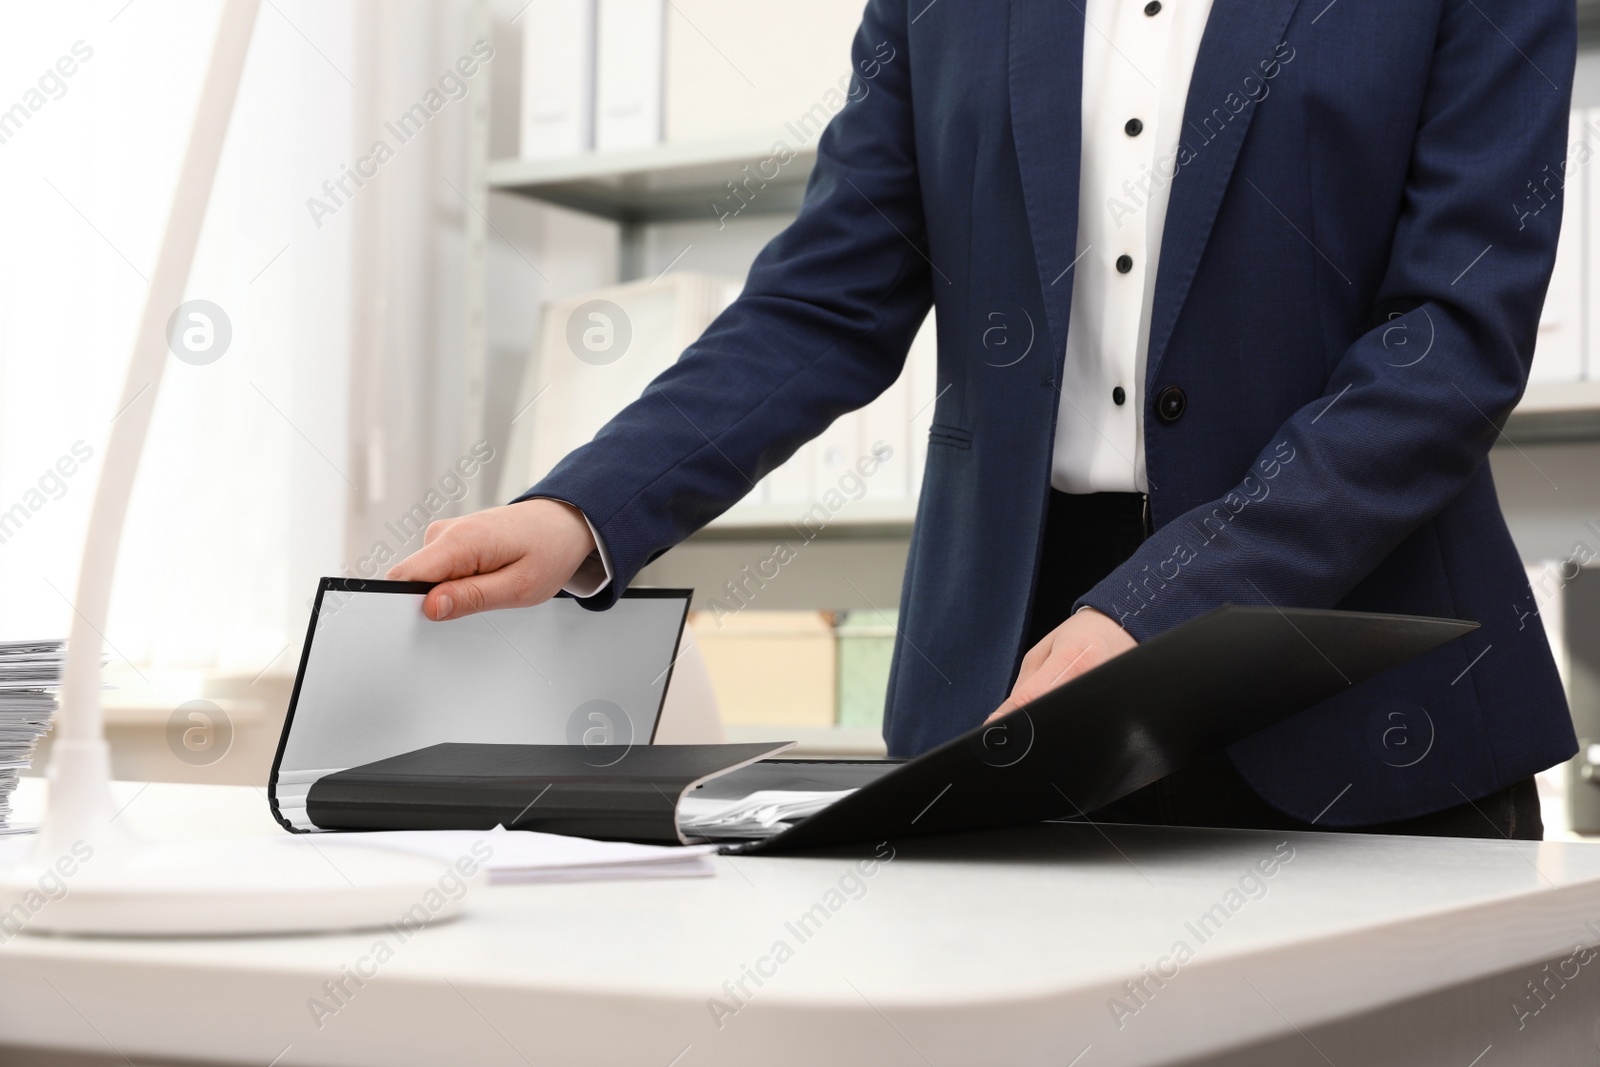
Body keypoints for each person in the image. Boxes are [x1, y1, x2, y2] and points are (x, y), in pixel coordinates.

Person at [392, 1, 1577, 840]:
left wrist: (1165, 605)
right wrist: (579, 508)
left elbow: (1448, 344)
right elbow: (822, 303)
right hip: (1005, 692)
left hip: (1359, 690)